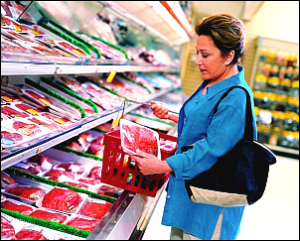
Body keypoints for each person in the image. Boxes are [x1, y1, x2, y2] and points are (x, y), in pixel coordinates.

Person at [131, 13, 257, 240]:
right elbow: (212, 123)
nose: (197, 60)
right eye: (197, 52)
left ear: (229, 55)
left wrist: (162, 166)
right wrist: (172, 115)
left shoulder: (236, 97)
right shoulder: (215, 80)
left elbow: (212, 148)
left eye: (205, 54)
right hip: (189, 195)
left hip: (209, 206)